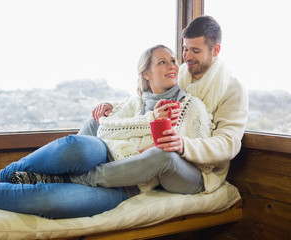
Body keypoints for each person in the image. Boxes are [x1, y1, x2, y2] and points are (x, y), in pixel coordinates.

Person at [0, 44, 213, 219]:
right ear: (146, 74)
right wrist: (139, 120)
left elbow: (194, 157)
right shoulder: (132, 104)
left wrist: (163, 148)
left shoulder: (191, 106)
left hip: (125, 187)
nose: (173, 65)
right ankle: (5, 175)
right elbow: (103, 129)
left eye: (174, 60)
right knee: (75, 144)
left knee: (47, 200)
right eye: (162, 61)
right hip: (104, 161)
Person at [69, 15, 248, 194]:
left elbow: (229, 143)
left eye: (195, 51)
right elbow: (154, 95)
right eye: (185, 49)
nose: (187, 57)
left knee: (161, 155)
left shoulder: (231, 88)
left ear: (215, 50)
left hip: (199, 170)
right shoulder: (183, 73)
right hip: (169, 155)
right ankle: (66, 169)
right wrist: (113, 107)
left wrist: (183, 145)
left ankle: (84, 178)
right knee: (97, 122)